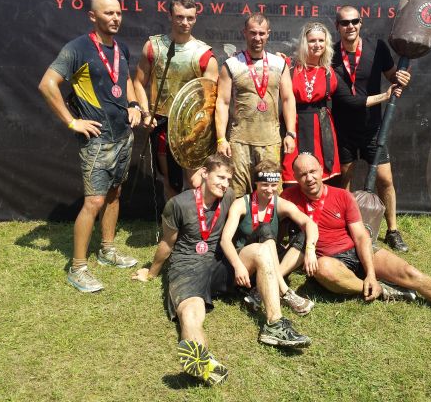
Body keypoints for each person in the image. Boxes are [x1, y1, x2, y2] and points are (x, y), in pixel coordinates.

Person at [280, 153, 431, 336]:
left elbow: (361, 237)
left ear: (321, 170)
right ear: (295, 178)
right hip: (329, 260)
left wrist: (371, 273)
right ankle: (383, 290)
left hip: (357, 251)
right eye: (302, 174)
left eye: (312, 171)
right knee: (323, 268)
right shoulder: (288, 199)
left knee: (411, 273)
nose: (309, 178)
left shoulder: (342, 196)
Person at [132, 154, 311, 387]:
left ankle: (274, 324)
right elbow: (167, 243)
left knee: (262, 251)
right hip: (188, 267)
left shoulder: (228, 197)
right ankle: (202, 360)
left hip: (220, 263)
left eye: (228, 179)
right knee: (190, 312)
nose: (225, 184)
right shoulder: (178, 204)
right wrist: (151, 272)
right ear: (204, 173)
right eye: (220, 177)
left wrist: (241, 261)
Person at [38, 0, 141, 293]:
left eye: (118, 13)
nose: (115, 18)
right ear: (93, 16)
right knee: (94, 202)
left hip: (123, 136)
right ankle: (78, 268)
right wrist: (72, 122)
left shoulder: (121, 48)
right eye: (108, 13)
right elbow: (47, 84)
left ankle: (107, 250)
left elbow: (126, 80)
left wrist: (134, 104)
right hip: (98, 141)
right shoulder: (78, 48)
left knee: (114, 194)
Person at [331, 6, 411, 251]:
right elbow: (346, 99)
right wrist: (385, 95)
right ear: (337, 26)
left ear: (361, 23)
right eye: (345, 23)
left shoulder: (377, 48)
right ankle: (344, 228)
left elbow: (393, 78)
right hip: (343, 129)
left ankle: (393, 230)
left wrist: (403, 79)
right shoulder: (330, 54)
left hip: (373, 129)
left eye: (354, 21)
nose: (350, 26)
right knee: (343, 180)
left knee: (385, 180)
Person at [133, 0, 218, 199]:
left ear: (195, 18)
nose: (185, 22)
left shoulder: (204, 54)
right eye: (179, 17)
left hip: (194, 128)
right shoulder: (153, 47)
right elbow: (138, 82)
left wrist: (199, 129)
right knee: (170, 182)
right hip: (163, 124)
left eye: (190, 18)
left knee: (197, 182)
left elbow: (210, 101)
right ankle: (172, 219)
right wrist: (145, 113)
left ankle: (197, 220)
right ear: (170, 16)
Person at [220, 159, 319, 316]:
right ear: (256, 183)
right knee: (265, 227)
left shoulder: (280, 203)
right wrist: (238, 266)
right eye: (264, 185)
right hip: (246, 264)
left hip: (269, 262)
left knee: (304, 235)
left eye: (273, 185)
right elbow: (225, 240)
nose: (269, 189)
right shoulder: (240, 204)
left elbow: (309, 223)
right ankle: (285, 291)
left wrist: (310, 249)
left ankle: (260, 290)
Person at [215, 13, 297, 198]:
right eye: (253, 33)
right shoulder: (231, 64)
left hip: (271, 141)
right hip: (239, 142)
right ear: (244, 33)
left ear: (268, 34)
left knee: (271, 193)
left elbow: (288, 99)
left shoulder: (279, 64)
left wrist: (291, 133)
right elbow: (222, 102)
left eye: (261, 33)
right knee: (237, 194)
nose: (257, 38)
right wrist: (221, 139)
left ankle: (268, 220)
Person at [281, 22, 340, 185]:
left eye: (321, 40)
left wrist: (384, 96)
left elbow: (349, 99)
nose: (317, 45)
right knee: (291, 177)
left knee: (320, 178)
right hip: (293, 124)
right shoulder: (288, 66)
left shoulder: (329, 73)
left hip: (320, 127)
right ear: (304, 43)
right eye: (312, 40)